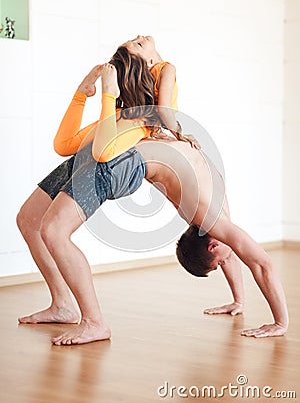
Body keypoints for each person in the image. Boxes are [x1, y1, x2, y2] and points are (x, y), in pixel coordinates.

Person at [16, 48, 162, 345]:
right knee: (29, 220)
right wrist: (83, 93)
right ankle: (62, 305)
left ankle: (95, 322)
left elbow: (103, 151)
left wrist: (108, 93)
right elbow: (64, 144)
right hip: (80, 162)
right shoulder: (118, 113)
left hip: (102, 167)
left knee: (54, 231)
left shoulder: (144, 118)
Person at [135, 137, 289, 338]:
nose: (225, 262)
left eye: (219, 262)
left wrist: (280, 323)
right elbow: (230, 252)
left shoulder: (211, 219)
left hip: (143, 152)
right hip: (157, 150)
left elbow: (262, 265)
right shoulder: (202, 220)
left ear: (212, 246)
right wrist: (238, 301)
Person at [121, 35, 199, 148]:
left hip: (148, 133)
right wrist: (180, 135)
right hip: (158, 130)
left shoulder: (144, 80)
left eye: (133, 39)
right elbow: (163, 110)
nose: (138, 36)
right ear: (150, 62)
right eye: (139, 44)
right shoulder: (167, 69)